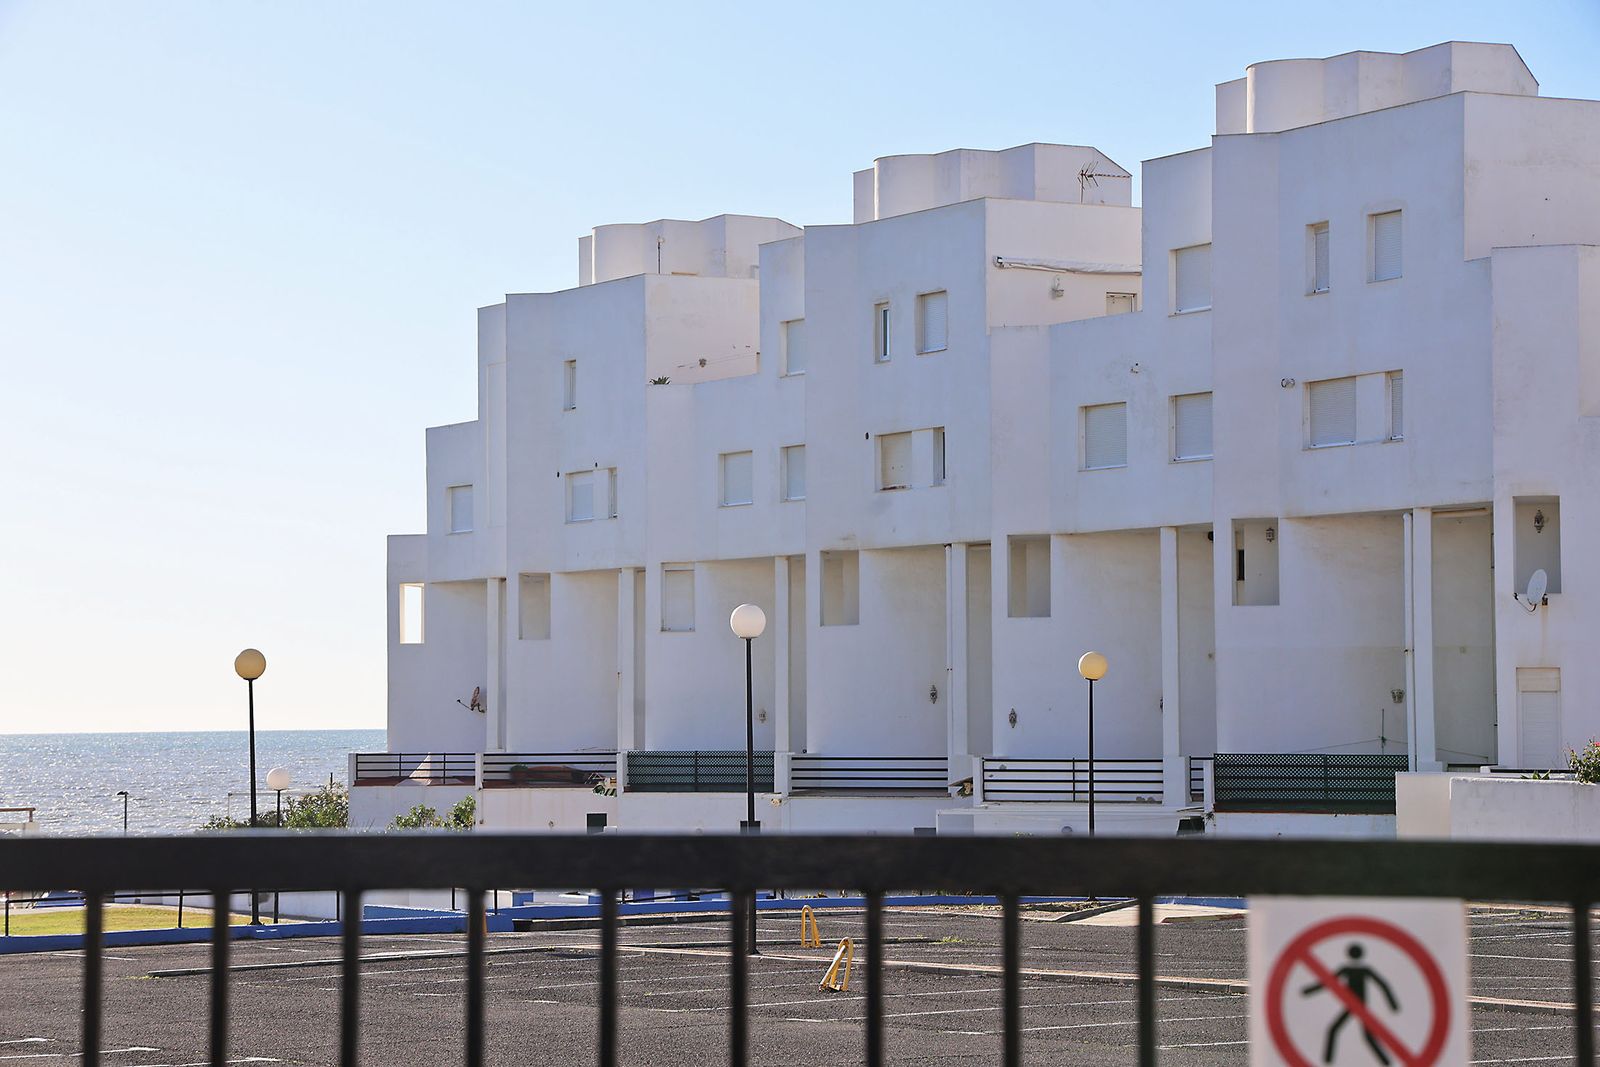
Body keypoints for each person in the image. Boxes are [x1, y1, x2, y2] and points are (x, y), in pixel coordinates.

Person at [1301, 943, 1399, 1064]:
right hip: (1355, 1006)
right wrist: (1392, 1004)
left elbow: (1327, 983)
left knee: (1339, 1031)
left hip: (1358, 1007)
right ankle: (1327, 1062)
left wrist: (1308, 991)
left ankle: (1386, 1062)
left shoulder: (1352, 970)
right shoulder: (1359, 970)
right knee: (1346, 1032)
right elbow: (1383, 985)